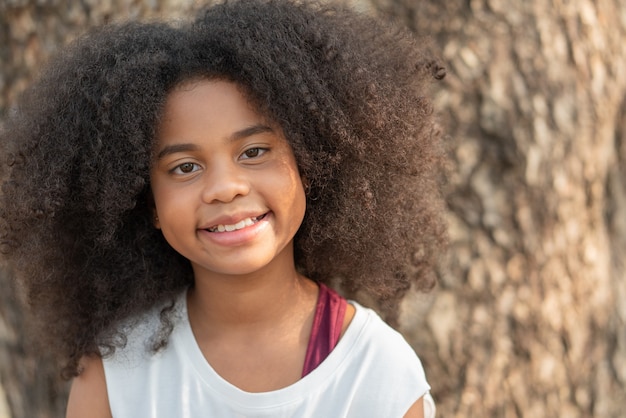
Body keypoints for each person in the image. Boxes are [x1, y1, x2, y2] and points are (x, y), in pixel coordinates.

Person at [0, 0, 447, 416]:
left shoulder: (378, 376)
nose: (224, 188)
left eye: (253, 152)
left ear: (308, 165)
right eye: (185, 166)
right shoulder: (115, 376)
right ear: (148, 202)